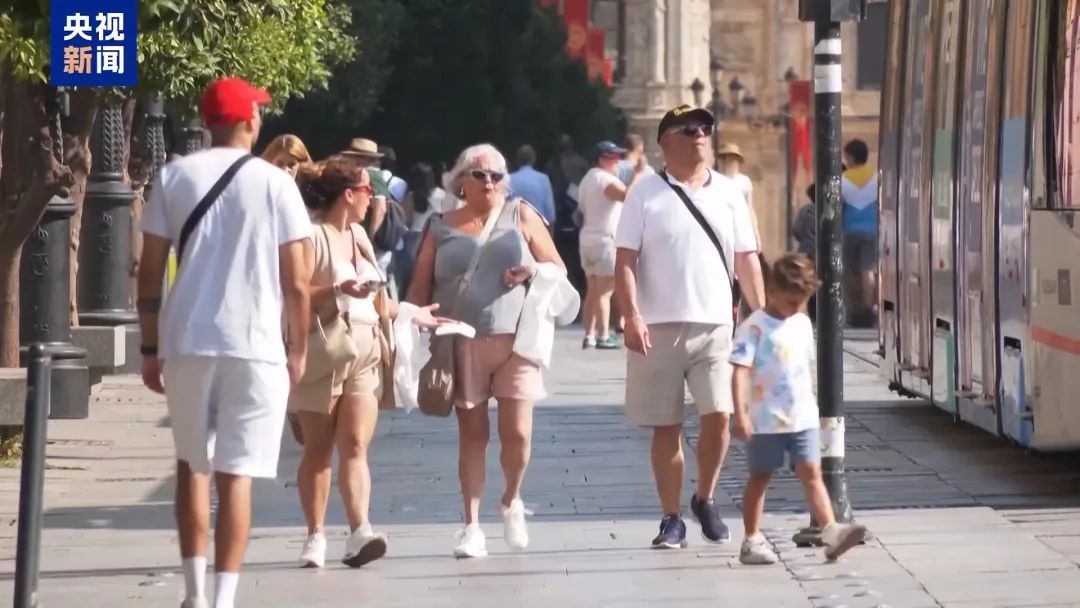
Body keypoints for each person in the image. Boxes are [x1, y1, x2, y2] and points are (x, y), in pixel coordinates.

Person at [137, 77, 313, 608]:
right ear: (249, 121)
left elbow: (147, 275)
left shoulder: (173, 176)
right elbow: (299, 281)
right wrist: (298, 348)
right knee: (237, 475)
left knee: (193, 465)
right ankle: (225, 598)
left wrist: (149, 348)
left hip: (189, 337)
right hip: (256, 344)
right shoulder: (276, 184)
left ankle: (192, 592)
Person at [615, 104, 764, 550]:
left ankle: (706, 497)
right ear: (666, 141)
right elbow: (625, 259)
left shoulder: (730, 192)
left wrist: (762, 316)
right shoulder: (644, 192)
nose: (702, 135)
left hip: (716, 324)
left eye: (705, 129)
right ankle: (671, 517)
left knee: (719, 415)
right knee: (666, 425)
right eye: (690, 129)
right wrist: (631, 314)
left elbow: (746, 258)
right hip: (656, 326)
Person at [406, 143, 566, 558]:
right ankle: (471, 526)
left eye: (497, 175)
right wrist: (410, 321)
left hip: (518, 339)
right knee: (473, 436)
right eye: (481, 175)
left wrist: (531, 270)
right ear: (462, 181)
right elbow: (420, 284)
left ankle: (512, 499)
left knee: (518, 433)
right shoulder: (440, 225)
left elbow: (558, 267)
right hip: (460, 341)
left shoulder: (521, 214)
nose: (491, 182)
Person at [289, 155, 445, 570]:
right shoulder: (312, 237)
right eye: (367, 191)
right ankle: (315, 535)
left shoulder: (359, 234)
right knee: (319, 452)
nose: (372, 198)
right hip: (324, 352)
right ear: (348, 195)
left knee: (356, 445)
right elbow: (295, 295)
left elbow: (376, 297)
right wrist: (337, 287)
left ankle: (360, 531)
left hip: (365, 349)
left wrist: (413, 314)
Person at [730, 253, 866, 564]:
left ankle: (830, 531)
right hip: (766, 420)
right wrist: (740, 413)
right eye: (791, 302)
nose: (796, 308)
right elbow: (739, 371)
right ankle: (751, 538)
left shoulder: (802, 323)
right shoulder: (754, 328)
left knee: (812, 473)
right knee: (760, 477)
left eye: (802, 302)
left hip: (802, 417)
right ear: (772, 292)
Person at [578, 141, 641, 349]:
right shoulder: (605, 179)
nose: (617, 162)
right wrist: (637, 176)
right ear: (601, 159)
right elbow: (628, 197)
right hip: (605, 239)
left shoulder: (587, 179)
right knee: (605, 292)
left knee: (593, 290)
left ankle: (589, 335)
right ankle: (603, 335)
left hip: (588, 239)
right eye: (612, 158)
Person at [841, 139, 879, 327]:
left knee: (851, 274)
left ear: (850, 157)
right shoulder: (877, 177)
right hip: (872, 231)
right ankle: (869, 307)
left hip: (849, 232)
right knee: (868, 270)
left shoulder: (843, 179)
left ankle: (856, 310)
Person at [509, 144, 556, 227]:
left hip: (514, 230)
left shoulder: (509, 179)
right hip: (537, 229)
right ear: (533, 159)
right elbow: (550, 215)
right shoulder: (543, 179)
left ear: (517, 160)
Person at [792, 184, 818, 322]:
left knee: (807, 282)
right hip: (822, 254)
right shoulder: (830, 210)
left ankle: (806, 311)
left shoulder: (806, 210)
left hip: (806, 251)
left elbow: (796, 229)